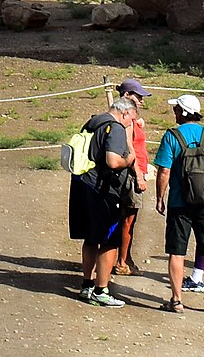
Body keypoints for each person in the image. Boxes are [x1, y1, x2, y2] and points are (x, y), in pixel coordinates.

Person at [152, 94, 204, 312]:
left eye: (176, 109)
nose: (174, 112)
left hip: (179, 202)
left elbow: (164, 170)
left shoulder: (171, 136)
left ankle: (177, 300)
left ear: (184, 112)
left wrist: (160, 197)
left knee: (177, 252)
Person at [68, 92, 139, 308]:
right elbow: (113, 161)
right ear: (125, 112)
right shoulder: (115, 128)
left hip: (82, 184)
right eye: (131, 118)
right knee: (109, 242)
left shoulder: (92, 121)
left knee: (90, 238)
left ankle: (87, 285)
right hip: (102, 191)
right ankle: (101, 290)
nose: (131, 123)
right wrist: (129, 159)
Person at [114, 78, 152, 276]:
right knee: (129, 218)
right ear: (127, 95)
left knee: (128, 218)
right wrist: (139, 175)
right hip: (132, 173)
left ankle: (123, 258)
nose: (142, 101)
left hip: (135, 171)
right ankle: (122, 261)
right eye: (138, 97)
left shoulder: (131, 119)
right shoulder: (127, 121)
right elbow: (130, 147)